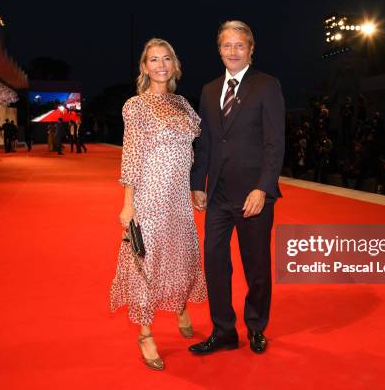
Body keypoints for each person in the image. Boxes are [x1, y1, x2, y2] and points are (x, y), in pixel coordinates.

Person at [109, 38, 207, 371]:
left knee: (181, 252)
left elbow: (196, 148)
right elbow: (132, 156)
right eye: (153, 59)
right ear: (144, 67)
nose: (161, 65)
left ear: (175, 65)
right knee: (145, 261)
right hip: (150, 194)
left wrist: (196, 188)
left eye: (167, 58)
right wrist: (128, 204)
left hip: (178, 195)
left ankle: (179, 305)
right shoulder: (136, 105)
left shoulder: (183, 104)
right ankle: (145, 332)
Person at [189, 20, 285, 355]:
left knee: (255, 265)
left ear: (251, 49)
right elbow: (205, 144)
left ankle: (256, 326)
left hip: (253, 195)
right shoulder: (209, 89)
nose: (233, 51)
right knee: (215, 263)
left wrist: (263, 188)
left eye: (239, 45)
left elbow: (275, 143)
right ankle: (224, 330)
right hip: (217, 194)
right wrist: (197, 184)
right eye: (227, 45)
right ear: (219, 49)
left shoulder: (267, 86)